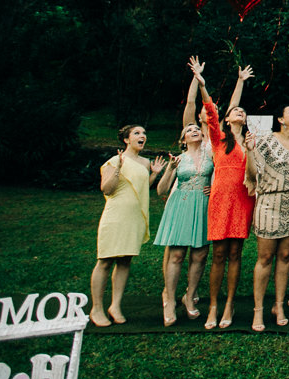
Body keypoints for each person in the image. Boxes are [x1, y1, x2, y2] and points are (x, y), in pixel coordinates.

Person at [245, 66, 289, 332]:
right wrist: (250, 152)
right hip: (268, 203)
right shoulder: (263, 140)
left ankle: (279, 305)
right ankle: (257, 310)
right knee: (265, 257)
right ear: (280, 119)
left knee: (286, 255)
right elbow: (252, 174)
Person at [196, 58, 254, 329]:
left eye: (243, 111)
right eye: (235, 111)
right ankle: (213, 305)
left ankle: (230, 303)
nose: (239, 112)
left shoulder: (251, 143)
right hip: (220, 200)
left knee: (235, 253)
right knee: (218, 253)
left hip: (243, 201)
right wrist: (203, 84)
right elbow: (210, 110)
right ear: (229, 117)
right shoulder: (219, 139)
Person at [89, 125, 167, 326]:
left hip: (135, 217)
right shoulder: (115, 160)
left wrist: (155, 174)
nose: (142, 136)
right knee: (105, 260)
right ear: (126, 140)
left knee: (125, 261)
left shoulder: (145, 162)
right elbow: (106, 189)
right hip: (116, 216)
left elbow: (140, 187)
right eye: (137, 133)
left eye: (144, 134)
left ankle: (115, 305)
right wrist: (117, 169)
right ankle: (96, 308)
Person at [153, 114, 213, 326]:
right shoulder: (178, 159)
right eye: (189, 130)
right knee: (177, 255)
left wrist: (213, 188)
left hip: (203, 206)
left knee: (200, 254)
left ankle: (190, 296)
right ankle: (169, 299)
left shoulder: (210, 157)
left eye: (197, 128)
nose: (194, 131)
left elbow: (219, 178)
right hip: (182, 205)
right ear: (183, 140)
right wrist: (169, 168)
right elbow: (161, 190)